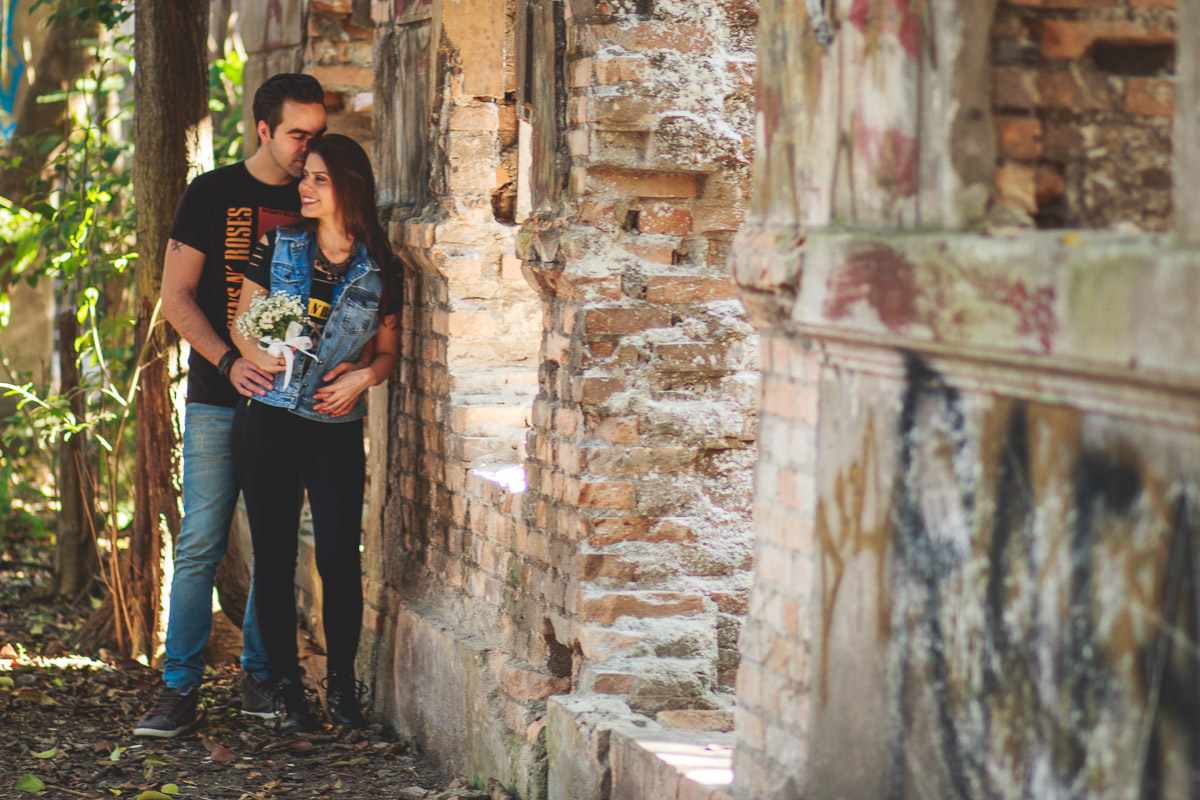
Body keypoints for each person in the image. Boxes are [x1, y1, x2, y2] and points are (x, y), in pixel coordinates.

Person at [134, 74, 327, 738]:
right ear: (264, 129)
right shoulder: (212, 193)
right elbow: (176, 295)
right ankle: (178, 691)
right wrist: (227, 360)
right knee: (199, 545)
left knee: (274, 545)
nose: (309, 149)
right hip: (219, 398)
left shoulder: (320, 197)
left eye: (317, 136)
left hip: (294, 407)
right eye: (298, 134)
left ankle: (258, 676)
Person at [230, 133, 401, 733]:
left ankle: (342, 690)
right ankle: (290, 691)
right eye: (305, 176)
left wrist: (362, 381)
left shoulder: (381, 266)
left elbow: (386, 354)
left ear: (348, 187)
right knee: (274, 560)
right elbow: (243, 324)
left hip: (334, 426)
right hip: (271, 419)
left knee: (337, 559)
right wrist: (261, 354)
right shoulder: (277, 243)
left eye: (319, 178)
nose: (304, 186)